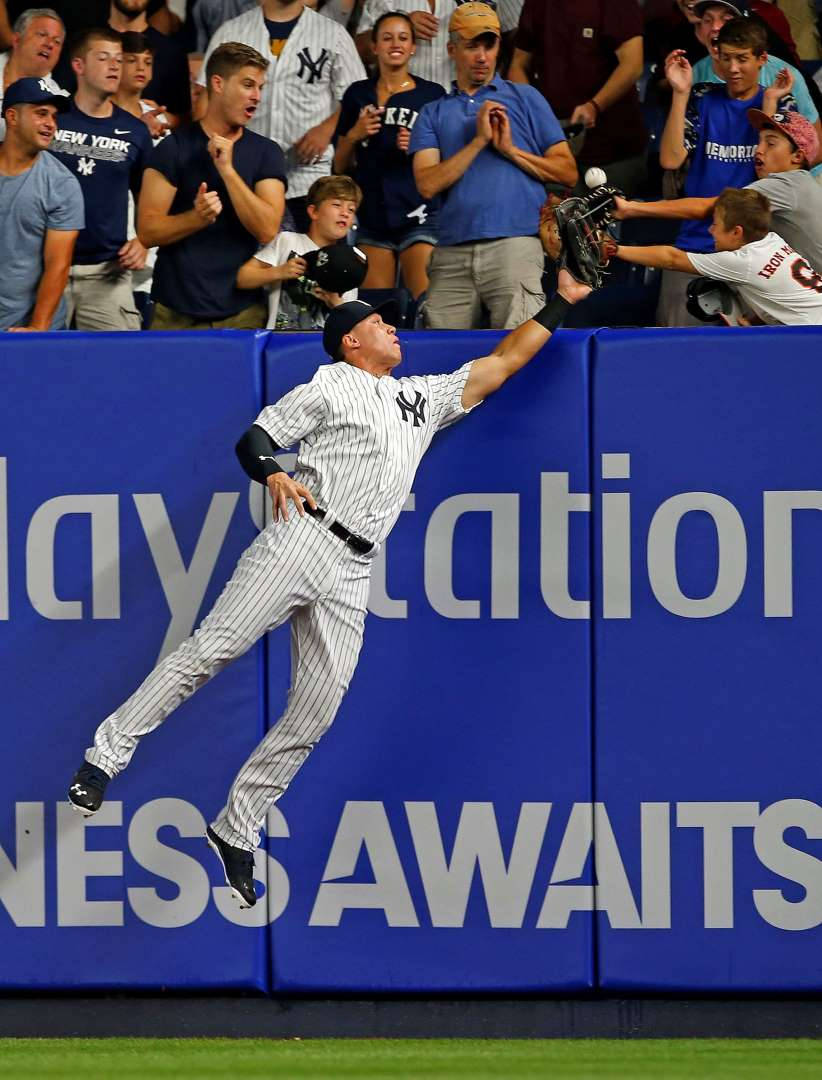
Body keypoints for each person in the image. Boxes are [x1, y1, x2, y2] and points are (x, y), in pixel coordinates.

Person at [66, 262, 592, 908]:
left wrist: (562, 301)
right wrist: (271, 472)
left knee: (320, 704)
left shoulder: (420, 399)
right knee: (210, 651)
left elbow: (505, 362)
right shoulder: (330, 383)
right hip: (303, 537)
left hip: (353, 567)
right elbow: (256, 440)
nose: (392, 327)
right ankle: (104, 757)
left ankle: (236, 825)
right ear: (350, 340)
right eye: (378, 323)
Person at [409, 2, 576, 330]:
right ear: (452, 49)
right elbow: (426, 184)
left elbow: (567, 172)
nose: (483, 56)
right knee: (440, 354)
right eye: (473, 46)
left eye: (490, 45)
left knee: (520, 347)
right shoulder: (433, 112)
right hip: (451, 251)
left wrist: (510, 150)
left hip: (517, 245)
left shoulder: (526, 98)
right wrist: (478, 142)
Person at [655, 17, 794, 325]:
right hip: (695, 244)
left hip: (753, 253)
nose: (733, 68)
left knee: (748, 350)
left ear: (761, 59)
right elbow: (670, 160)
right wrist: (680, 93)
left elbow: (771, 175)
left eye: (742, 59)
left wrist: (769, 106)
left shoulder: (780, 103)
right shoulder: (701, 97)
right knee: (675, 346)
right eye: (726, 57)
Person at [137, 42, 286, 329]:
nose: (256, 96)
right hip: (174, 312)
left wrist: (227, 171)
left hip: (242, 313)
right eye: (247, 85)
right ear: (218, 84)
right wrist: (196, 218)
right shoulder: (173, 148)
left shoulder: (266, 153)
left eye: (260, 87)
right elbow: (146, 231)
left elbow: (267, 229)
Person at [199, 0, 365, 232]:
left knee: (312, 255)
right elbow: (206, 99)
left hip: (309, 177)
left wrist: (327, 129)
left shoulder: (333, 34)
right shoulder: (232, 32)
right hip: (245, 176)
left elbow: (358, 96)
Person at [615, 107, 822, 273]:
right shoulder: (801, 185)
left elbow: (708, 207)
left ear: (797, 156)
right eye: (759, 141)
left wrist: (631, 208)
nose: (759, 150)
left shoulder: (787, 184)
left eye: (771, 143)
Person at [334, 11, 444, 307]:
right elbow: (339, 165)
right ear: (374, 46)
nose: (395, 44)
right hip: (373, 216)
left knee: (425, 306)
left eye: (403, 38)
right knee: (377, 308)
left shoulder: (432, 95)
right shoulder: (357, 94)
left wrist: (419, 148)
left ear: (413, 47)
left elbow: (446, 163)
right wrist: (354, 135)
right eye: (387, 38)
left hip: (420, 212)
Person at [47, 27, 152, 331]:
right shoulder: (51, 119)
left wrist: (144, 241)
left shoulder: (136, 131)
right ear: (78, 65)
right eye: (104, 58)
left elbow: (149, 200)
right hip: (45, 269)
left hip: (108, 273)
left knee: (121, 358)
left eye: (118, 59)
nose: (114, 66)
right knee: (33, 356)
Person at [611, 186, 822, 324]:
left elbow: (672, 259)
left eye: (716, 224)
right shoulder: (774, 241)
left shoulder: (744, 261)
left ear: (736, 232)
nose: (711, 230)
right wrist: (755, 321)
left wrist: (616, 249)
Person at [507, 0, 647, 197]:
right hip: (553, 149)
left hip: (611, 150)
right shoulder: (537, 4)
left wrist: (595, 105)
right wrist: (534, 113)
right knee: (553, 215)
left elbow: (632, 64)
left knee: (607, 215)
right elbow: (518, 64)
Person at [0, 76, 83, 330]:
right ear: (12, 117)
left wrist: (38, 330)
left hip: (25, 327)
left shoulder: (62, 184)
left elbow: (58, 265)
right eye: (41, 114)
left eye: (54, 117)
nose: (51, 124)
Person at [236, 173, 361, 328]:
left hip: (323, 342)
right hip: (280, 339)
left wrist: (335, 303)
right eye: (337, 205)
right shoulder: (287, 241)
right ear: (313, 212)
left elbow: (352, 326)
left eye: (351, 209)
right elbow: (242, 278)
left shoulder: (350, 262)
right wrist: (279, 272)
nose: (345, 213)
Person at [691, 2, 822, 146]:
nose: (715, 27)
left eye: (726, 19)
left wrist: (770, 102)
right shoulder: (693, 75)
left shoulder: (784, 75)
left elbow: (816, 146)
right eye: (707, 20)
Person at [355, 0, 519, 91]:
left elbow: (514, 45)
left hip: (464, 105)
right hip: (403, 106)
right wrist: (401, 25)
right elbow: (360, 51)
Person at [107, 0, 191, 127]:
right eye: (131, 60)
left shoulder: (172, 52)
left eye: (148, 62)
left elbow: (184, 118)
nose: (141, 67)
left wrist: (164, 118)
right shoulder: (86, 43)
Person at [0, 7, 65, 139]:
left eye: (57, 41)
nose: (50, 44)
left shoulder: (61, 102)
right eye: (42, 35)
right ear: (17, 40)